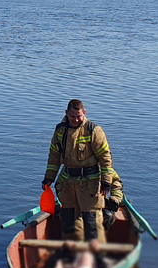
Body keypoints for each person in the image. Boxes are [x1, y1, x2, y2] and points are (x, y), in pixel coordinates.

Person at [42, 99, 117, 243]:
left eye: (79, 116)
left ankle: (97, 258)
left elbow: (105, 157)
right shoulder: (60, 130)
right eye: (72, 117)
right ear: (66, 114)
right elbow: (54, 156)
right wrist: (49, 177)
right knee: (69, 221)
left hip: (90, 184)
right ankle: (72, 255)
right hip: (68, 184)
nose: (76, 120)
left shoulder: (93, 130)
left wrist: (106, 182)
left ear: (84, 113)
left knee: (92, 222)